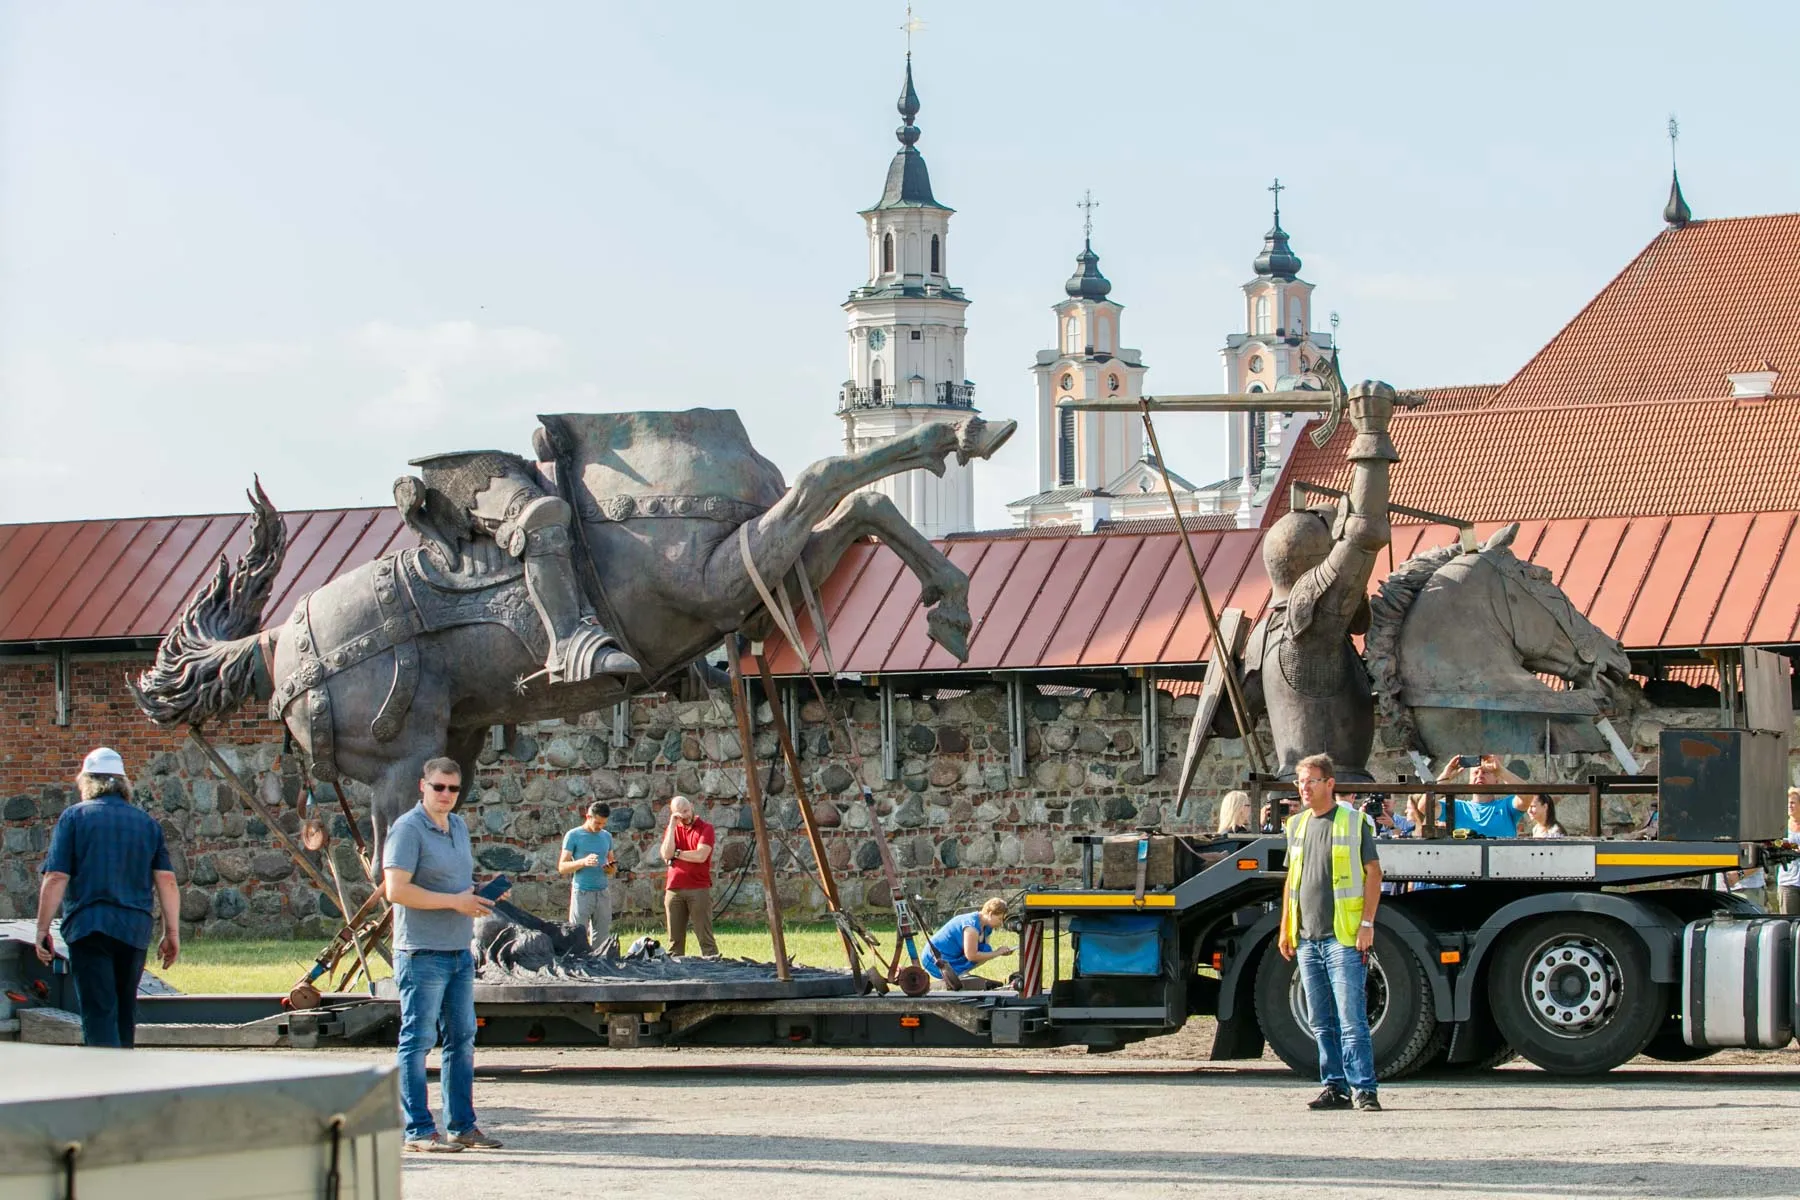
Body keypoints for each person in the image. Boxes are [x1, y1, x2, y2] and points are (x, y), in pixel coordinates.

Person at [383, 757, 503, 1154]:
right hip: (421, 952)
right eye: (439, 787)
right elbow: (396, 891)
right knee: (418, 1039)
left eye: (453, 789)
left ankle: (462, 1126)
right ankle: (417, 1129)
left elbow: (455, 885)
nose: (447, 795)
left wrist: (477, 894)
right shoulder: (407, 829)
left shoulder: (458, 825)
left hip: (457, 950)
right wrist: (454, 902)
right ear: (423, 786)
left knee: (462, 1040)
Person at [33, 748, 179, 1048]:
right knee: (125, 1011)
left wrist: (41, 930)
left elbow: (57, 877)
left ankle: (105, 1087)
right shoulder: (147, 823)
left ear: (87, 782)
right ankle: (124, 1085)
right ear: (123, 784)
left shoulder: (74, 817)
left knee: (99, 1011)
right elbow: (166, 879)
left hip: (90, 926)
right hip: (134, 929)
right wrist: (171, 932)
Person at [1278, 753, 1384, 1112]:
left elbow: (1374, 873)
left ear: (1329, 783)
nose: (1303, 788)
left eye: (1310, 781)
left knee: (1351, 1017)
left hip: (1343, 936)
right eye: (1299, 782)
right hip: (1307, 936)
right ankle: (1334, 1086)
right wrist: (1285, 928)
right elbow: (1292, 879)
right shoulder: (1297, 825)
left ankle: (1364, 1089)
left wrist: (1367, 924)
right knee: (1320, 1020)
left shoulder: (1354, 822)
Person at [661, 795, 718, 956]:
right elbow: (665, 853)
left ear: (692, 806)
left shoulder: (706, 828)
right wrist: (672, 826)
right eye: (679, 814)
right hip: (674, 888)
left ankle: (714, 969)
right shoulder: (673, 829)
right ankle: (676, 974)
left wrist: (677, 853)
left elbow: (700, 856)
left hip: (698, 887)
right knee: (674, 940)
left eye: (686, 811)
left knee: (705, 937)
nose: (684, 816)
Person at [921, 897, 1014, 990]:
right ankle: (933, 986)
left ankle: (960, 976)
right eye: (999, 919)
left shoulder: (986, 927)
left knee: (986, 949)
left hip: (952, 957)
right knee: (962, 985)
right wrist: (997, 953)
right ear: (990, 914)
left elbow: (983, 951)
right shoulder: (971, 926)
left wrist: (999, 952)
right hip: (935, 959)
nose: (1001, 923)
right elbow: (972, 956)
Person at [558, 801, 616, 947]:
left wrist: (610, 869)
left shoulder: (607, 836)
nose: (600, 827)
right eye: (597, 823)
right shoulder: (573, 835)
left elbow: (612, 864)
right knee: (577, 937)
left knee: (602, 939)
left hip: (602, 892)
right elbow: (562, 867)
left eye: (603, 823)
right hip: (582, 892)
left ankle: (600, 966)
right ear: (588, 816)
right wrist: (583, 862)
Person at [1435, 754, 1529, 837]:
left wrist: (1501, 771)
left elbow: (1528, 796)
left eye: (1485, 772)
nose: (1479, 776)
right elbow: (1424, 807)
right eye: (1475, 773)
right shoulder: (1456, 807)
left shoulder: (1506, 807)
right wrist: (1445, 777)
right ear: (1469, 780)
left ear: (1496, 780)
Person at [1779, 789, 1800, 917]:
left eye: (1792, 802)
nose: (1789, 806)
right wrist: (1793, 846)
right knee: (1789, 923)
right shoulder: (1781, 826)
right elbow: (1774, 843)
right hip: (1788, 882)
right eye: (1787, 803)